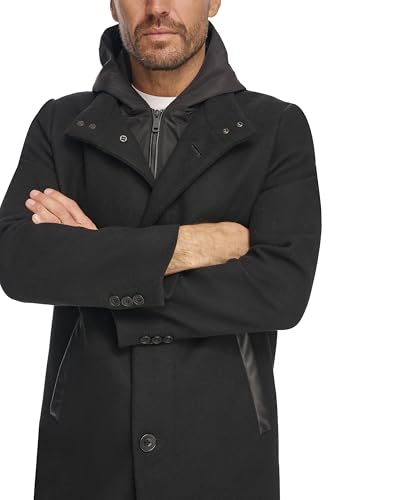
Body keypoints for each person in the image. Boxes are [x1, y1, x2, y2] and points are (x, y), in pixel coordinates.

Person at [0, 1, 322, 499]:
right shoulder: (61, 122)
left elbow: (280, 293)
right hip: (87, 454)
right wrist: (190, 245)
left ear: (214, 1)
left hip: (223, 452)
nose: (157, 8)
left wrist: (96, 265)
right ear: (113, 3)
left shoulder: (275, 127)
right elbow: (18, 262)